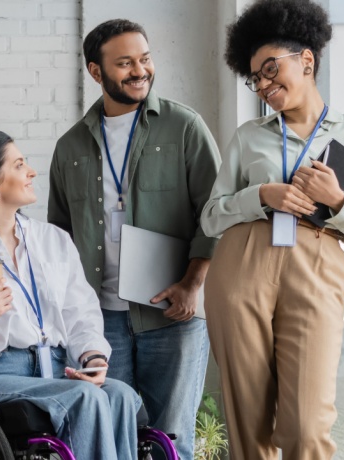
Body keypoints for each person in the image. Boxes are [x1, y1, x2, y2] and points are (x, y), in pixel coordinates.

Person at [202, 0, 344, 458]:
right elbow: (211, 216)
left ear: (306, 60)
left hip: (317, 260)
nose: (264, 85)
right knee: (248, 425)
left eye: (271, 69)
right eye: (256, 78)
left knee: (307, 426)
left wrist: (339, 201)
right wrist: (260, 197)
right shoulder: (248, 135)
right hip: (243, 264)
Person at [47, 18, 221, 459]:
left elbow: (215, 213)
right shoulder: (70, 148)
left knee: (171, 438)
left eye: (144, 59)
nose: (139, 70)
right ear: (95, 71)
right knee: (109, 432)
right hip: (99, 320)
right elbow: (58, 239)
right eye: (124, 63)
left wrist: (193, 284)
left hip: (173, 315)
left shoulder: (184, 128)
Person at [0, 131, 141, 460]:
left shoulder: (53, 241)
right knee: (87, 399)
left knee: (120, 395)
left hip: (55, 369)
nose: (32, 172)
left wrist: (93, 358)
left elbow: (80, 314)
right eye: (19, 164)